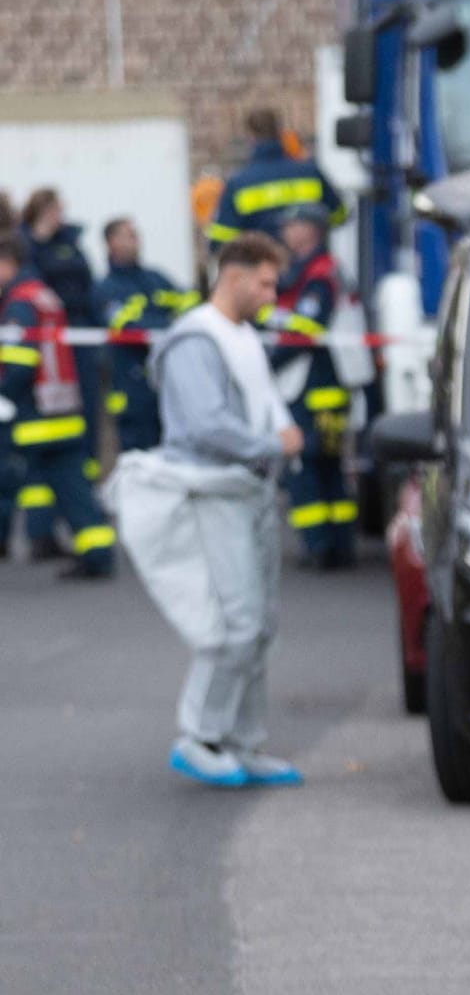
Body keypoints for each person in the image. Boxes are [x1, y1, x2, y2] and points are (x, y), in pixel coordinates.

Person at [140, 233, 306, 787]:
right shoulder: (196, 339)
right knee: (237, 621)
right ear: (232, 276)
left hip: (246, 490)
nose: (270, 293)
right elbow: (205, 424)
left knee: (259, 625)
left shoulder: (239, 337)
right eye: (263, 281)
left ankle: (243, 742)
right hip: (215, 490)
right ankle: (200, 736)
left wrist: (277, 437)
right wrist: (272, 446)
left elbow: (257, 404)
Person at [0, 232, 115, 579]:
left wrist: (3, 393)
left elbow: (19, 360)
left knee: (6, 478)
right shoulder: (45, 295)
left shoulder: (19, 301)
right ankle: (97, 552)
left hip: (33, 413)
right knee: (72, 487)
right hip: (63, 409)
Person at [268, 204, 356, 568]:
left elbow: (305, 330)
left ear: (310, 230)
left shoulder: (320, 273)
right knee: (328, 467)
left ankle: (320, 545)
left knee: (308, 465)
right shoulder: (308, 272)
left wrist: (265, 363)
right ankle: (337, 544)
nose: (286, 232)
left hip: (316, 389)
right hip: (318, 388)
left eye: (293, 226)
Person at [20, 187, 107, 548]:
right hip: (47, 349)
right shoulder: (27, 246)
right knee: (43, 437)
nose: (60, 215)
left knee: (82, 425)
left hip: (78, 343)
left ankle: (81, 503)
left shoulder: (71, 242)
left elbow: (88, 285)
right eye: (54, 209)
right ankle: (42, 527)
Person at [94, 217, 198, 454]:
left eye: (136, 235)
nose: (137, 241)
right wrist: (169, 325)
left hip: (167, 387)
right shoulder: (106, 287)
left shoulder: (156, 279)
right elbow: (125, 327)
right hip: (132, 391)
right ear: (112, 242)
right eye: (129, 236)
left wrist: (164, 325)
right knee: (138, 459)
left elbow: (191, 307)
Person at [206, 109, 346, 250]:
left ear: (250, 137)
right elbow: (339, 215)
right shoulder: (310, 172)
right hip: (309, 266)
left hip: (263, 265)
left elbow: (220, 239)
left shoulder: (238, 184)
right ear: (280, 134)